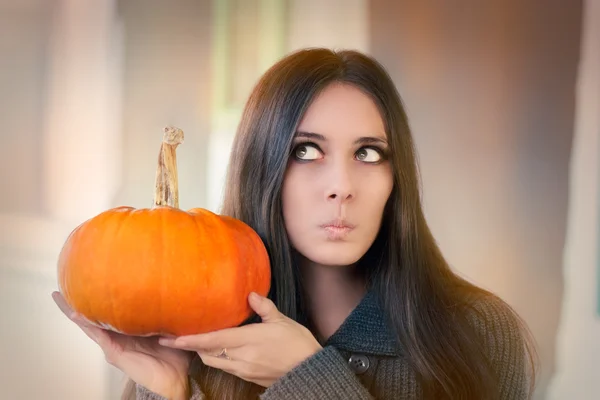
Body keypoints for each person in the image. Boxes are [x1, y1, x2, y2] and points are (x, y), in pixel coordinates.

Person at [53, 47, 538, 399]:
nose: (341, 186)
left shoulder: (478, 332)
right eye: (306, 151)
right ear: (262, 168)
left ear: (397, 178)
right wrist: (171, 392)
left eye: (368, 153)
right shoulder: (194, 340)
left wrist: (306, 377)